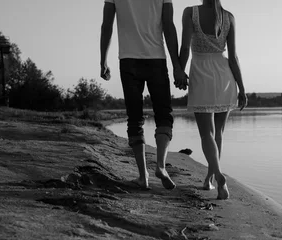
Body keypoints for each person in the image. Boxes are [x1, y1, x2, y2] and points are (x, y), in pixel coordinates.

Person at [100, 0, 188, 190]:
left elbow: (107, 25)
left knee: (135, 119)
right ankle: (161, 166)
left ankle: (143, 176)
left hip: (128, 60)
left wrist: (103, 61)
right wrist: (177, 66)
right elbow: (168, 26)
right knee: (164, 115)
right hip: (156, 58)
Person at [179, 0, 247, 200]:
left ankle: (217, 176)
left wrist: (179, 71)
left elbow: (184, 48)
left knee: (206, 134)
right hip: (224, 74)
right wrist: (242, 88)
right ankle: (209, 179)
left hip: (201, 72)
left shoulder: (190, 12)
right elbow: (233, 57)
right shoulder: (229, 17)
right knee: (218, 134)